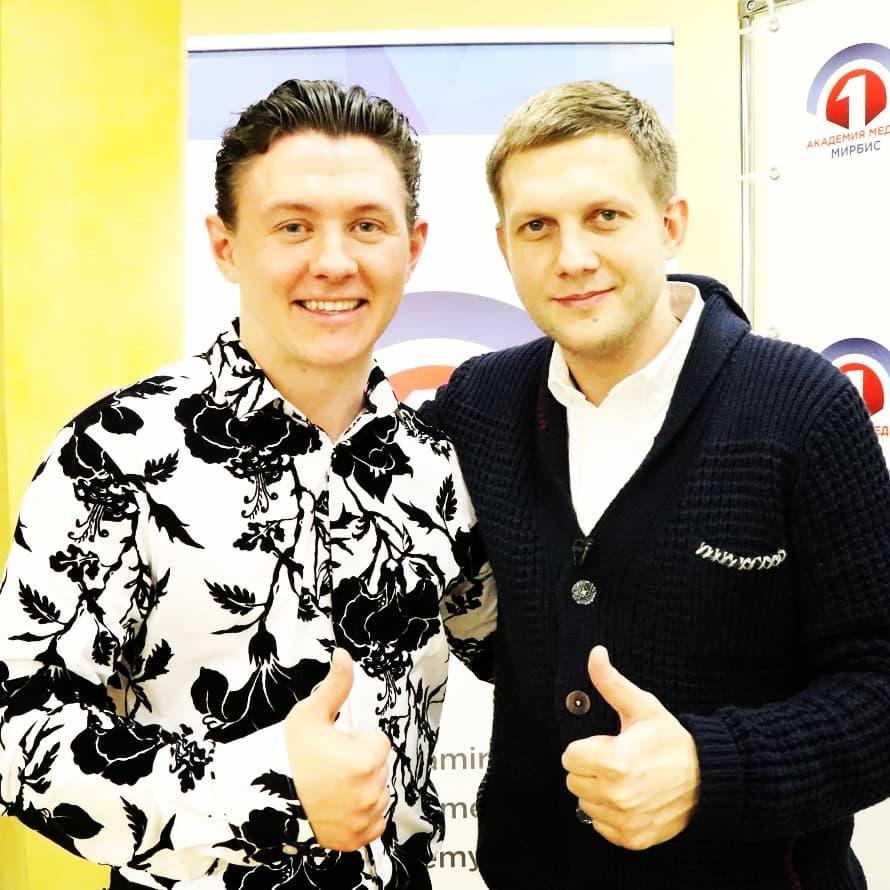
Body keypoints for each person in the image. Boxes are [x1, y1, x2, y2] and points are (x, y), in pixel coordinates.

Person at [0, 79, 494, 890]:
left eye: (367, 226)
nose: (333, 261)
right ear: (225, 245)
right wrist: (269, 788)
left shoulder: (438, 467)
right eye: (292, 226)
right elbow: (18, 733)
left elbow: (528, 648)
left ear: (413, 246)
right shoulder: (117, 454)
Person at [424, 80, 890, 889]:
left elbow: (879, 686)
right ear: (504, 244)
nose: (572, 257)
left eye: (605, 215)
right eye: (537, 226)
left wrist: (711, 767)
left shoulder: (803, 407)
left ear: (670, 224)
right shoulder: (479, 405)